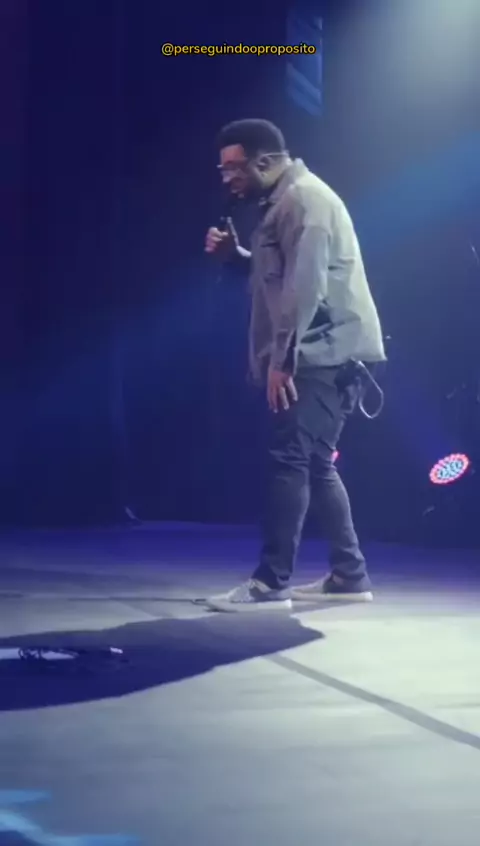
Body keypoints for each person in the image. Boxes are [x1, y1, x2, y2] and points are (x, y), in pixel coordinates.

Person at [204, 119, 386, 612]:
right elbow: (282, 277)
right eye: (223, 170)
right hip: (323, 352)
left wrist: (282, 361)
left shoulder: (304, 201)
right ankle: (349, 575)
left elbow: (305, 290)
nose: (227, 179)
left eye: (233, 168)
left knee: (290, 461)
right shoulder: (285, 202)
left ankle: (270, 584)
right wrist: (237, 258)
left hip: (320, 355)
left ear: (264, 161)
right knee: (315, 463)